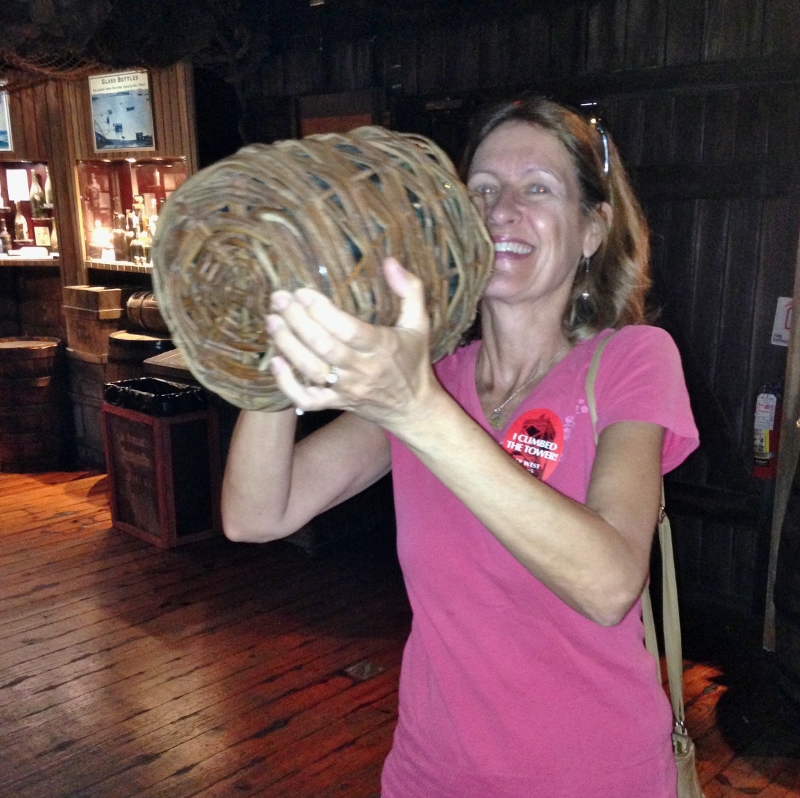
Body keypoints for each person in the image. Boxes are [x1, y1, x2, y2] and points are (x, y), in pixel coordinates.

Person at [221, 96, 699, 798]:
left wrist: (416, 409)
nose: (502, 210)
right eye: (483, 189)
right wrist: (279, 348)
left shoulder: (632, 360)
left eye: (538, 189)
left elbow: (607, 584)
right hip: (430, 774)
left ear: (593, 229)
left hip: (593, 777)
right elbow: (256, 514)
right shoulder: (434, 377)